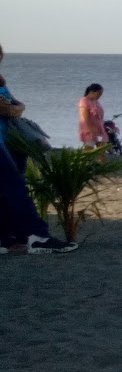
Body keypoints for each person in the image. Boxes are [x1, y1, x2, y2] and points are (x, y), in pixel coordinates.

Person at [0, 44, 75, 253]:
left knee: (8, 190)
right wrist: (11, 109)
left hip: (10, 140)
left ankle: (8, 238)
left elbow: (17, 105)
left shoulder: (1, 81)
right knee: (15, 186)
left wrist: (13, 109)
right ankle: (37, 235)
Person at [78, 84, 108, 148]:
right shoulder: (84, 101)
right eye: (98, 94)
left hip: (99, 130)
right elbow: (86, 117)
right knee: (89, 150)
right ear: (92, 92)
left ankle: (100, 158)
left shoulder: (96, 102)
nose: (99, 96)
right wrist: (91, 132)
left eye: (100, 94)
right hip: (89, 130)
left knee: (102, 150)